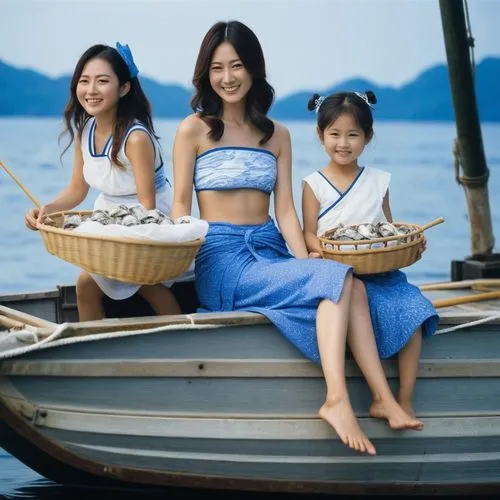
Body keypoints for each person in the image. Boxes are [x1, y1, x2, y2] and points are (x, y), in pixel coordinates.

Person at [171, 20, 424, 456]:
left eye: (237, 66)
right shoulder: (193, 129)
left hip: (269, 248)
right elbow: (179, 207)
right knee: (336, 281)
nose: (228, 77)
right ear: (206, 74)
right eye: (217, 68)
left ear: (253, 70)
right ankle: (337, 399)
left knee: (351, 285)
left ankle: (383, 399)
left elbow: (285, 210)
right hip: (222, 256)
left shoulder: (277, 134)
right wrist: (179, 246)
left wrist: (307, 254)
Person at [301, 90, 440, 418]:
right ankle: (382, 399)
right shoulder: (313, 183)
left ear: (368, 137)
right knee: (361, 300)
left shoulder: (379, 181)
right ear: (320, 135)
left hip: (383, 274)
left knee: (414, 310)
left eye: (353, 135)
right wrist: (319, 251)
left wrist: (411, 244)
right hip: (343, 276)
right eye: (334, 134)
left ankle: (404, 399)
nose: (343, 143)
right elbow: (309, 232)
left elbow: (389, 229)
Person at [25, 43, 185, 321]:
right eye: (84, 81)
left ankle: (182, 340)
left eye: (102, 81)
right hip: (109, 217)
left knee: (146, 283)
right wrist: (45, 210)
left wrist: (115, 234)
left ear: (124, 88)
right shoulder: (84, 131)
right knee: (85, 285)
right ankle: (95, 348)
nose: (91, 90)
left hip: (146, 220)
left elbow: (148, 208)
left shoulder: (135, 138)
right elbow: (77, 190)